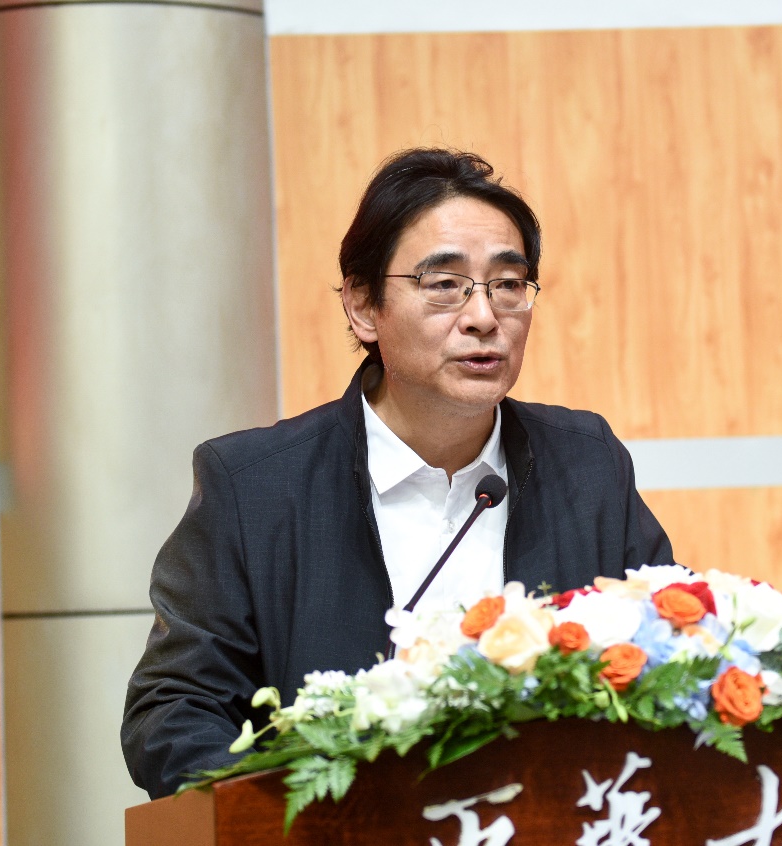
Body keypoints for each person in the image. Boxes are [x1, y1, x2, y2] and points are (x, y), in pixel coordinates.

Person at [121, 148, 674, 798]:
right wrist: (299, 816)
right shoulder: (254, 487)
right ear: (363, 306)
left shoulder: (586, 464)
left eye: (508, 283)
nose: (483, 317)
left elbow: (674, 652)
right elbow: (172, 714)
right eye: (444, 284)